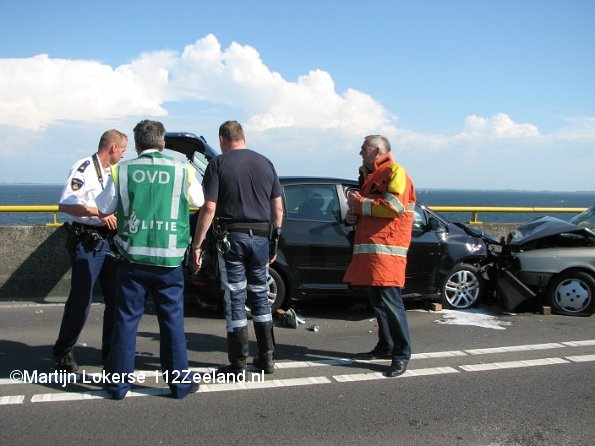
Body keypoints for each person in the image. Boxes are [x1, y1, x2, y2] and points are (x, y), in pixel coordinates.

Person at [96, 119, 203, 399]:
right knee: (171, 323)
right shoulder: (183, 170)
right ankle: (179, 385)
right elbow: (200, 202)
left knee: (126, 321)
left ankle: (118, 386)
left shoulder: (122, 170)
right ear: (163, 143)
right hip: (169, 263)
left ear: (138, 144)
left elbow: (103, 207)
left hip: (133, 260)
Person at [191, 120, 283, 377]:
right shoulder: (266, 163)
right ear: (243, 137)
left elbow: (209, 208)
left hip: (232, 239)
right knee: (260, 297)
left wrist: (197, 245)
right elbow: (278, 209)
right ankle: (266, 358)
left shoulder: (218, 164)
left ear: (222, 140)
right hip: (262, 240)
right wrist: (274, 240)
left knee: (235, 298)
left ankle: (238, 362)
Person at [53, 129, 128, 372]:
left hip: (111, 242)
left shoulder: (113, 173)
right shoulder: (84, 168)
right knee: (81, 298)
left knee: (116, 299)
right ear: (113, 148)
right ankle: (63, 349)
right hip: (88, 241)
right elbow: (66, 203)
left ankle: (110, 353)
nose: (123, 156)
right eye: (123, 151)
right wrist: (99, 213)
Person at [344, 135, 416, 377]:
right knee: (380, 303)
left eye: (363, 148)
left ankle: (401, 354)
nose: (360, 152)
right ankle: (386, 347)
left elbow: (394, 207)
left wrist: (360, 203)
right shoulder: (370, 175)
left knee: (391, 303)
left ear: (376, 150)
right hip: (374, 251)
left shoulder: (396, 172)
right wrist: (353, 215)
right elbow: (371, 209)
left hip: (388, 251)